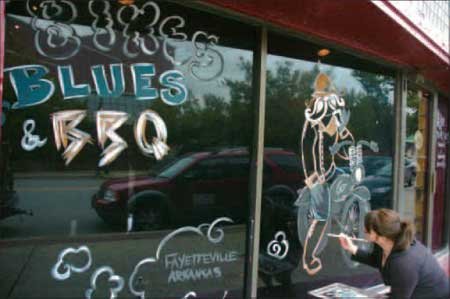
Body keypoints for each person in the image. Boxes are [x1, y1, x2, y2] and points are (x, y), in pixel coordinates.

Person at [339, 208, 449, 299]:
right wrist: (352, 248)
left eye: (367, 228)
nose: (364, 229)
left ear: (380, 234)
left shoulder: (405, 262)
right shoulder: (385, 244)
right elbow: (377, 260)